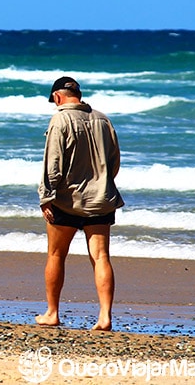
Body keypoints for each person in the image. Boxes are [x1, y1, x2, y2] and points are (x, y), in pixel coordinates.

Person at [35, 76, 124, 331]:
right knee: (101, 256)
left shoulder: (60, 119)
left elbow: (52, 164)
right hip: (100, 201)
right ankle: (105, 317)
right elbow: (114, 161)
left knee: (56, 254)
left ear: (57, 97)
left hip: (66, 201)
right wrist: (101, 183)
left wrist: (46, 198)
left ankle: (52, 313)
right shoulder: (103, 119)